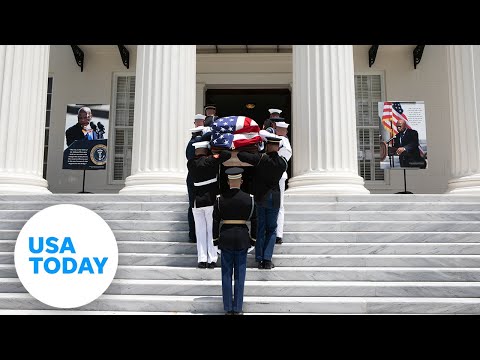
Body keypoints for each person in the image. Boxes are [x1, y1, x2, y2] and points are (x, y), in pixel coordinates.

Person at [237, 136, 288, 270]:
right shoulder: (283, 162)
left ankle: (259, 259)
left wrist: (251, 146)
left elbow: (241, 155)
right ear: (277, 147)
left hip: (262, 198)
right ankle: (267, 259)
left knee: (261, 229)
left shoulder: (260, 159)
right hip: (275, 199)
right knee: (271, 230)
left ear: (267, 146)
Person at [213, 167, 257, 315]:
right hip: (242, 239)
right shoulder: (249, 199)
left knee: (226, 275)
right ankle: (237, 308)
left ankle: (227, 308)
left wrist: (215, 240)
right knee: (240, 275)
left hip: (225, 238)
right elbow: (255, 220)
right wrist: (253, 240)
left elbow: (215, 221)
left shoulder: (220, 199)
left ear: (228, 181)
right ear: (241, 181)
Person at [187, 141, 231, 269]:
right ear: (207, 151)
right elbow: (227, 154)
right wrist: (215, 149)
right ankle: (212, 259)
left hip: (197, 202)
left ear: (196, 151)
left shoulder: (190, 163)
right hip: (210, 200)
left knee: (200, 232)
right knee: (212, 230)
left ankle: (202, 259)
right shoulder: (211, 160)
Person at [186, 126, 205, 243]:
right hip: (200, 178)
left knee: (192, 206)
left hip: (192, 176)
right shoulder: (200, 142)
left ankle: (192, 234)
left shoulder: (190, 143)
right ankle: (195, 234)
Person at [274, 121, 292, 245]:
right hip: (278, 175)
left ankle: (278, 233)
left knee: (278, 205)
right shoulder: (283, 140)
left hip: (277, 175)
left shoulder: (282, 141)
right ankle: (278, 233)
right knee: (279, 205)